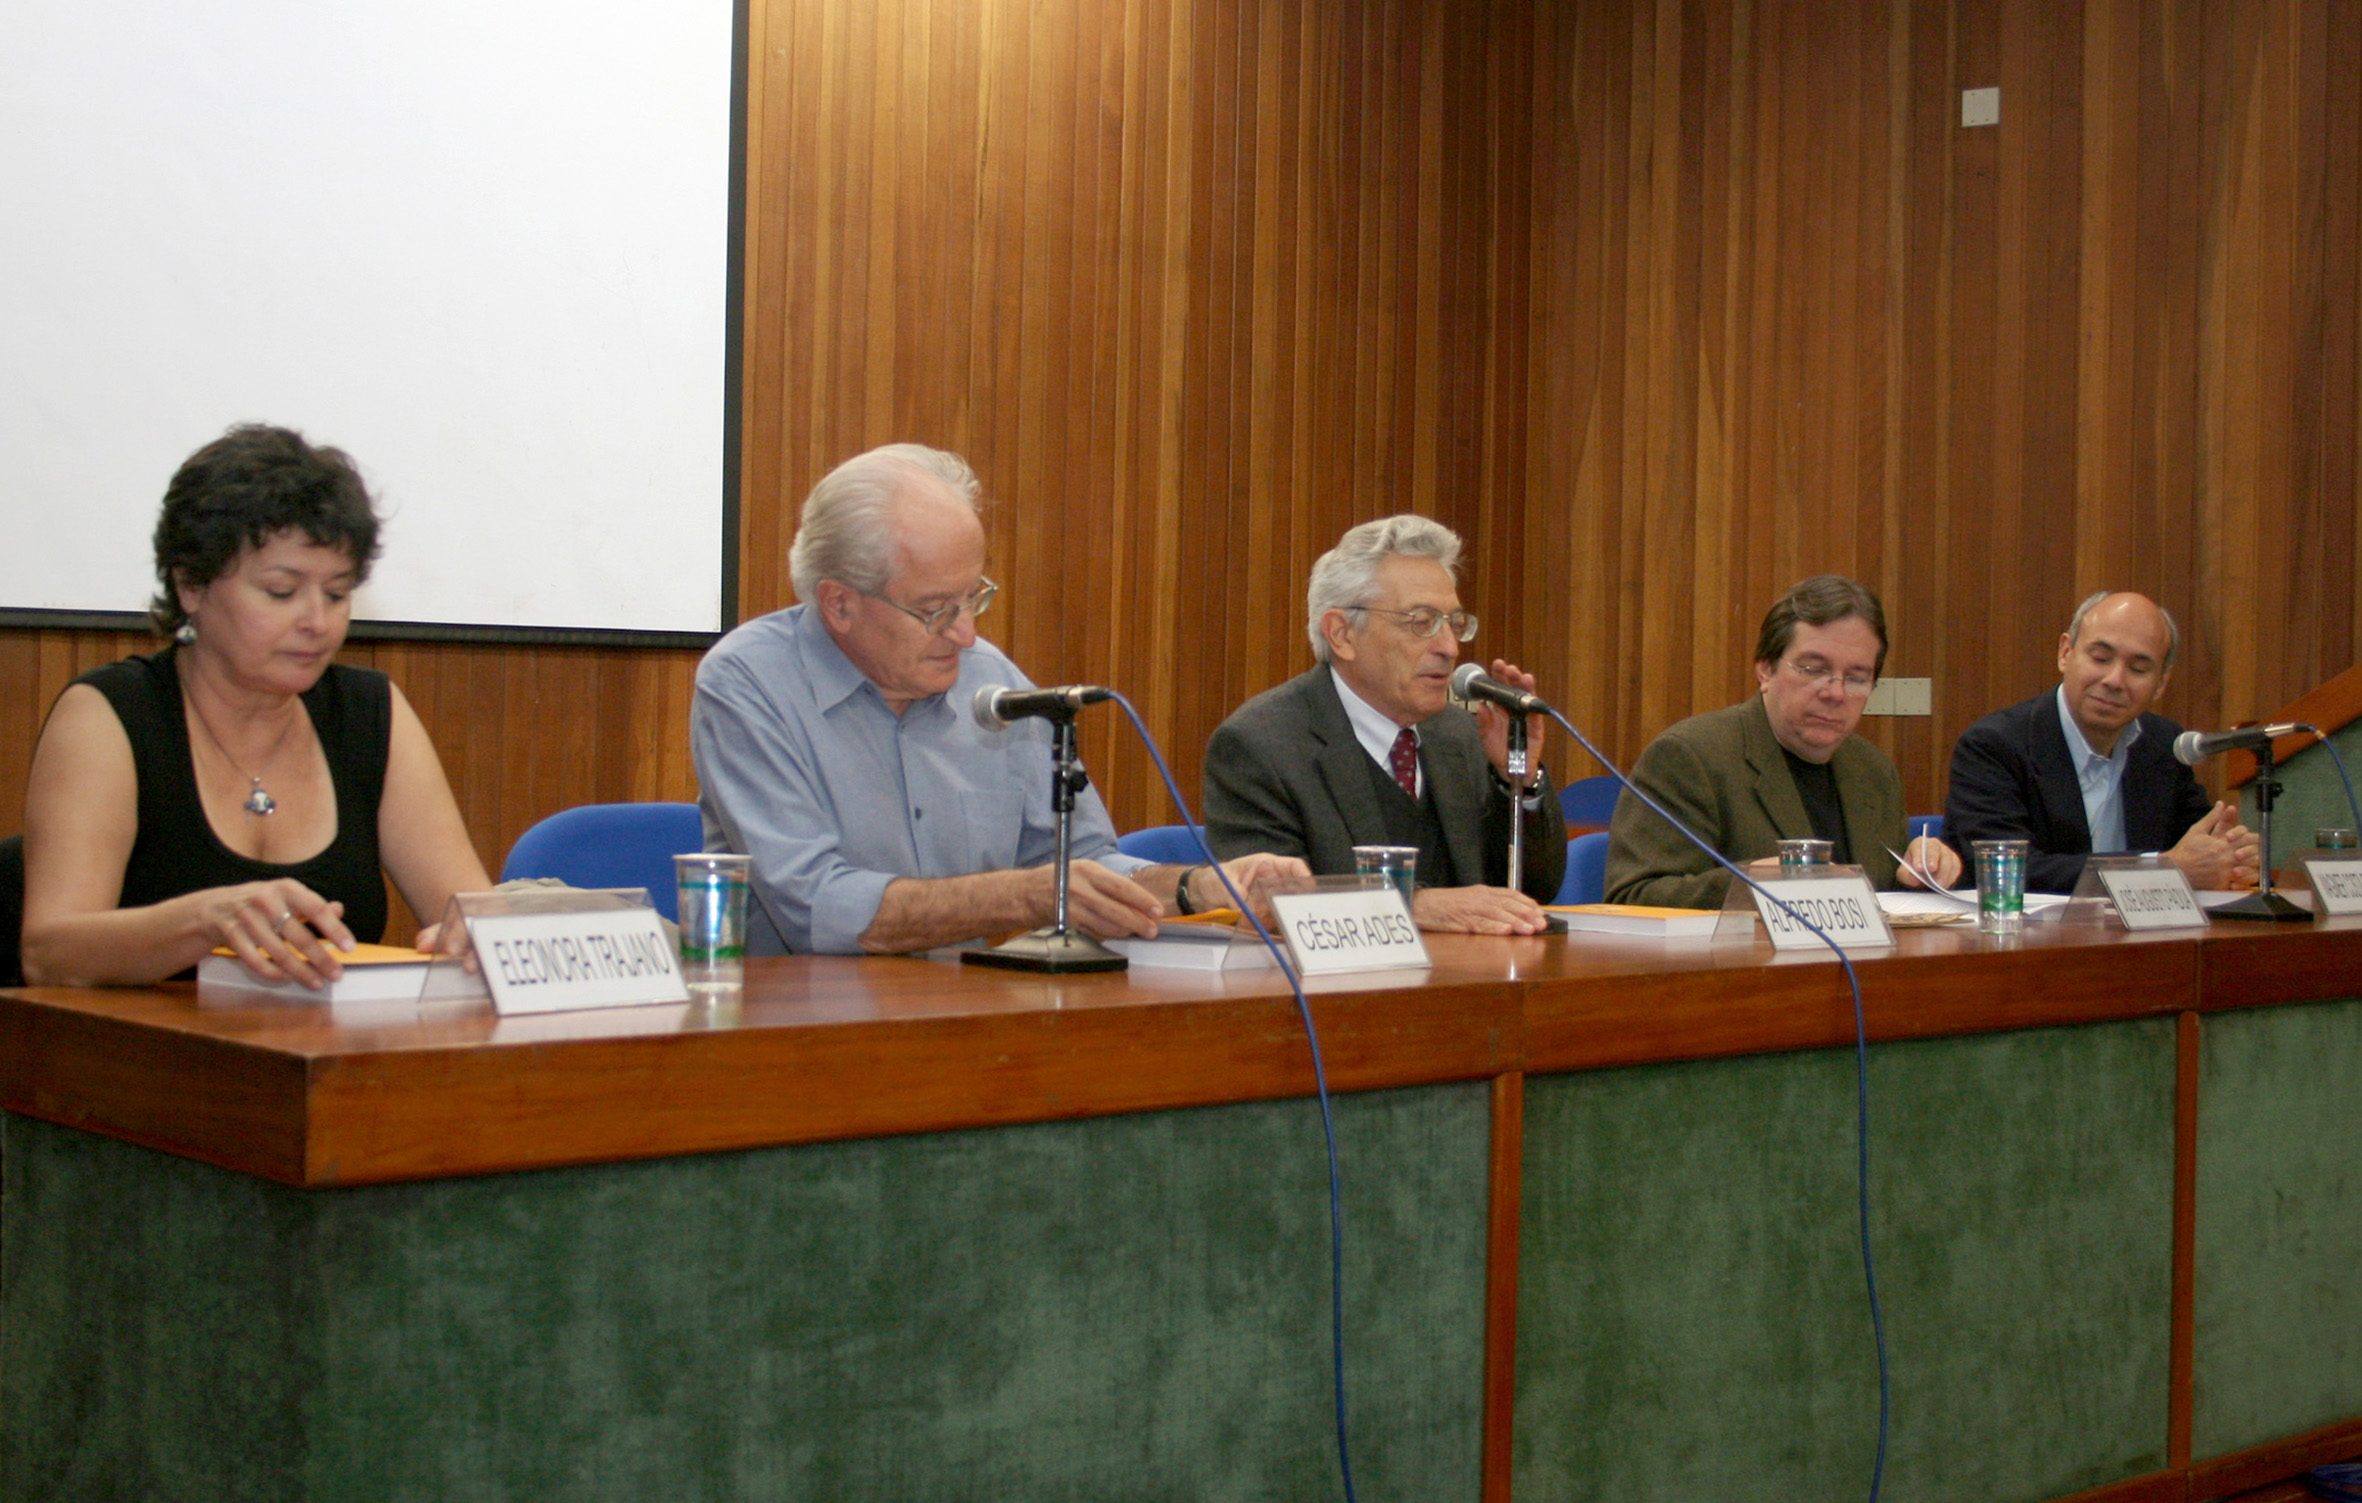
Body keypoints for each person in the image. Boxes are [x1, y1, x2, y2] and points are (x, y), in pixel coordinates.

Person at [691, 444, 1304, 956]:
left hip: (972, 1017)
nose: (966, 634)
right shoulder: (749, 683)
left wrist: (1198, 887)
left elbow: (1080, 862)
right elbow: (816, 907)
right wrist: (1024, 894)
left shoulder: (987, 678)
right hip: (799, 1034)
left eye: (973, 598)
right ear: (839, 603)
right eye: (935, 610)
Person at [19, 425, 492, 988]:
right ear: (192, 586)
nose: (318, 622)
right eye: (280, 592)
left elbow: (469, 910)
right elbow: (49, 954)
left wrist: (474, 934)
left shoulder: (370, 713)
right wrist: (205, 920)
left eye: (337, 594)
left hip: (317, 1060)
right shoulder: (111, 716)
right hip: (131, 1063)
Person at [1201, 515, 1566, 935]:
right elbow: (1268, 901)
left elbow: (1535, 889)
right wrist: (1417, 904)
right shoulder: (1260, 744)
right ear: (1342, 634)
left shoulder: (1460, 735)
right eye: (1421, 622)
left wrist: (1516, 778)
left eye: (1454, 623)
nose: (1449, 648)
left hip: (1469, 980)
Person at [1604, 575, 1963, 909]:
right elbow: (1632, 898)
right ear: (1765, 669)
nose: (1835, 692)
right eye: (1813, 669)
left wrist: (1919, 872)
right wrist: (1757, 884)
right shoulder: (1690, 757)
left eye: (1856, 678)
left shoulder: (1874, 770)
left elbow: (1877, 902)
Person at [1944, 590, 2258, 893]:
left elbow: (2194, 847)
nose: (2114, 680)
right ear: (2065, 653)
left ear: (2161, 683)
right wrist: (2158, 869)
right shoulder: (1993, 745)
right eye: (2100, 658)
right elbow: (2006, 868)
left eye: (2138, 668)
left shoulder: (2164, 744)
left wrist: (2231, 855)